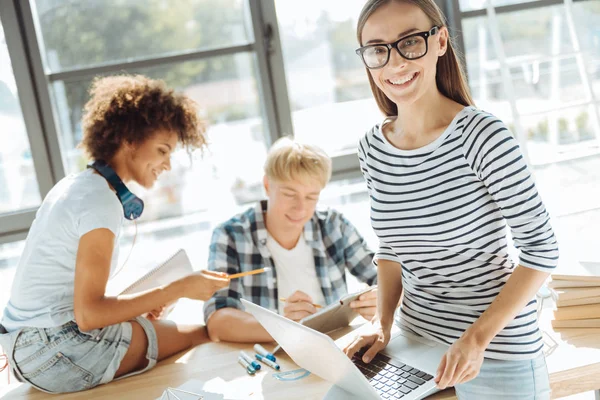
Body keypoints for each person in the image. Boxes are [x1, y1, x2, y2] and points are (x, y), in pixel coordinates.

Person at [342, 1, 558, 399]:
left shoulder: (482, 136)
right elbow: (390, 250)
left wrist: (475, 340)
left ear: (440, 41)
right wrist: (382, 322)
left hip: (493, 352)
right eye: (377, 49)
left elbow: (541, 249)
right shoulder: (372, 148)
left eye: (410, 42)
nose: (394, 63)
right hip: (414, 345)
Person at [0, 75, 230, 394]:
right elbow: (89, 315)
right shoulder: (100, 201)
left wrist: (138, 308)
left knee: (154, 327)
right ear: (129, 139)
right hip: (55, 349)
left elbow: (81, 304)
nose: (166, 165)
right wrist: (177, 288)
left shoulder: (78, 185)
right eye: (163, 151)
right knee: (199, 332)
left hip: (19, 347)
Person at [203, 137, 378, 343]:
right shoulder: (230, 235)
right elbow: (217, 321)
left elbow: (385, 279)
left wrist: (380, 299)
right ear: (267, 185)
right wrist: (283, 327)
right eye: (289, 194)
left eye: (311, 196)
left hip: (334, 346)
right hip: (268, 359)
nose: (301, 208)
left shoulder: (334, 225)